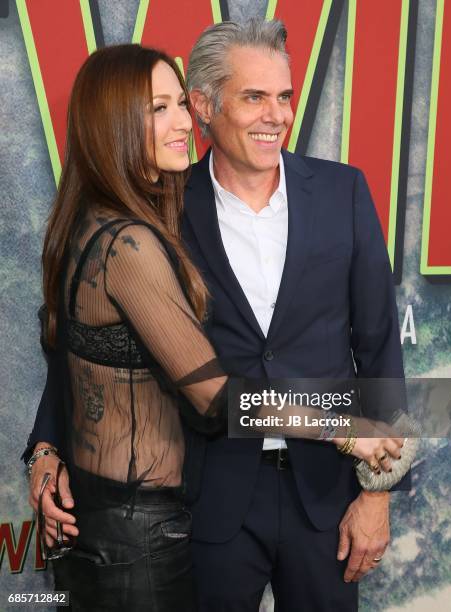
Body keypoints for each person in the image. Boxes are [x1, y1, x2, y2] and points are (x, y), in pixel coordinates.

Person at [24, 20, 408, 612]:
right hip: (208, 501)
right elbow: (83, 346)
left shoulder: (343, 192)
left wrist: (379, 492)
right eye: (254, 96)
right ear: (205, 106)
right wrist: (47, 446)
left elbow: (380, 346)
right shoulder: (159, 211)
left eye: (283, 96)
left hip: (326, 496)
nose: (275, 115)